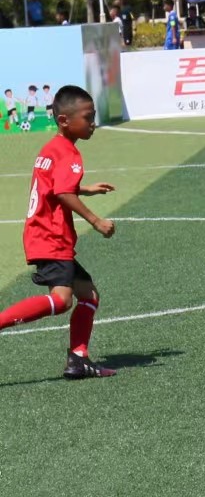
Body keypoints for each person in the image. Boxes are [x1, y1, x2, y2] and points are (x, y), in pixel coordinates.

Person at [0, 86, 118, 378]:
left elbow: (57, 187)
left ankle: (78, 359)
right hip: (51, 236)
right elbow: (63, 193)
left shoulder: (51, 148)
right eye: (88, 118)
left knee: (88, 295)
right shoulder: (70, 153)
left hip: (44, 234)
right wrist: (95, 221)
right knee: (63, 300)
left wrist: (85, 189)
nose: (93, 123)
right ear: (64, 120)